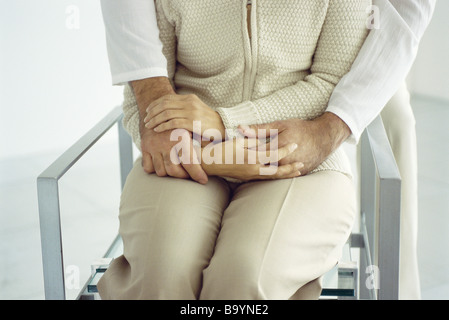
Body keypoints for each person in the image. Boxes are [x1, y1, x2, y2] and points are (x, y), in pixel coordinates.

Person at [98, 0, 435, 299]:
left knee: (246, 279)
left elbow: (332, 83)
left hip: (303, 159)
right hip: (190, 153)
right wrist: (210, 158)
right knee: (163, 273)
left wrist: (223, 125)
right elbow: (146, 99)